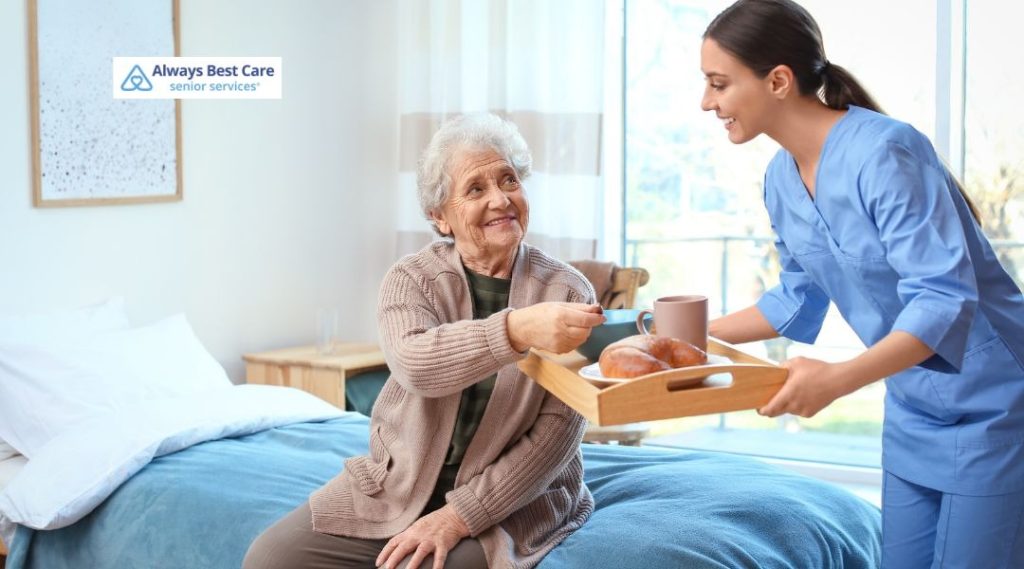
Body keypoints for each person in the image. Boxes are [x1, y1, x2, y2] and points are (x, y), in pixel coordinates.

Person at [699, 1, 1024, 567]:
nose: (708, 102)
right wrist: (668, 335)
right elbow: (793, 299)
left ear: (778, 80)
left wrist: (837, 381)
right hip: (911, 406)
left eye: (719, 84)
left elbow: (941, 298)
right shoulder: (779, 178)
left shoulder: (884, 151)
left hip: (995, 402)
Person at [243, 113, 605, 569]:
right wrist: (516, 330)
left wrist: (457, 517)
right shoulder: (410, 280)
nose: (501, 199)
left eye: (509, 179)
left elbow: (555, 438)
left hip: (511, 500)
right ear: (440, 217)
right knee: (270, 558)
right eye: (475, 189)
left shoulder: (568, 292)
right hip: (402, 485)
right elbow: (417, 365)